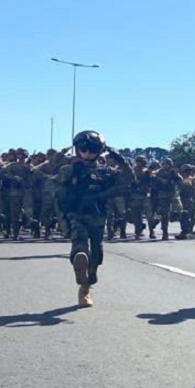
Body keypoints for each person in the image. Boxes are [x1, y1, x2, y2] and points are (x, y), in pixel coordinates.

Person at [54, 131, 135, 307]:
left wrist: (120, 159)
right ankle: (81, 269)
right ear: (77, 150)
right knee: (80, 242)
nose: (87, 153)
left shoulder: (106, 172)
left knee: (96, 253)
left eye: (92, 149)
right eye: (83, 149)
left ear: (99, 151)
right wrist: (62, 218)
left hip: (98, 214)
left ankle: (87, 284)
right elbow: (55, 191)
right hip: (76, 213)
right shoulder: (69, 170)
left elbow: (128, 180)